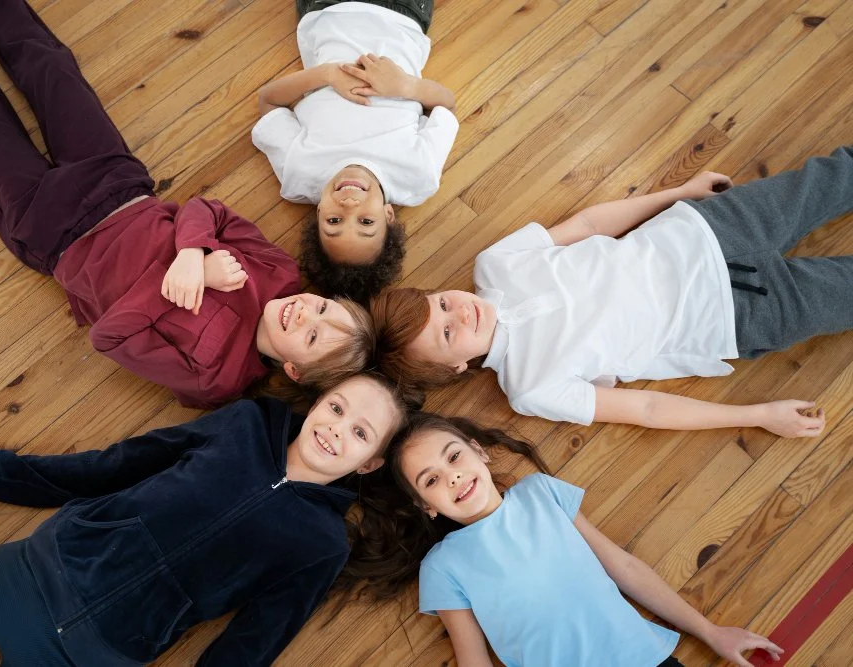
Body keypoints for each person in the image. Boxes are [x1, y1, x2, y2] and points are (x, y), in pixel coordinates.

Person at [0, 0, 373, 410]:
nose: (308, 312)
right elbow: (208, 210)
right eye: (326, 309)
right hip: (118, 184)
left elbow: (109, 338)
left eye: (313, 337)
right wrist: (192, 254)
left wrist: (179, 285)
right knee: (49, 67)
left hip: (52, 232)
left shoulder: (213, 382)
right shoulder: (279, 274)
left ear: (294, 370)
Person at [0, 374, 407, 666]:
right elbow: (116, 465)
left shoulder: (323, 544)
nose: (338, 428)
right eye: (337, 407)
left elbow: (253, 640)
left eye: (361, 432)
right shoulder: (243, 424)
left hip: (93, 656)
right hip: (19, 578)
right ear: (316, 403)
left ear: (372, 461)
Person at [372, 150, 853, 436]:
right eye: (448, 333)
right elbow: (647, 408)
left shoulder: (496, 264)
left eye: (440, 304)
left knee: (832, 178)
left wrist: (678, 192)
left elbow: (587, 224)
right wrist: (758, 415)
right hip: (737, 315)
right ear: (456, 368)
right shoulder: (530, 386)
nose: (459, 312)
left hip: (707, 229)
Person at [359, 412, 783, 667]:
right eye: (431, 479)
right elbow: (474, 659)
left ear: (479, 451)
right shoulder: (443, 565)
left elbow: (624, 568)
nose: (451, 475)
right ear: (426, 506)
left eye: (453, 456)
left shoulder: (540, 492)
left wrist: (709, 632)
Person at [253, 0, 458, 302]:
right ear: (388, 215)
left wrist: (327, 74)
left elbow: (268, 102)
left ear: (319, 213)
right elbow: (446, 105)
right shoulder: (418, 175)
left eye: (334, 222)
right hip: (403, 14)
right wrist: (405, 86)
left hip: (328, 9)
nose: (349, 204)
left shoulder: (299, 173)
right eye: (366, 222)